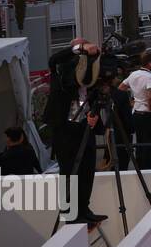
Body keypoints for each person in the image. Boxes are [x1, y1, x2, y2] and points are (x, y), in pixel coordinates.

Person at [44, 38, 107, 224]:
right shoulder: (61, 70)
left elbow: (94, 97)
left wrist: (94, 115)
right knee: (69, 169)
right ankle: (70, 212)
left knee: (87, 168)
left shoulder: (90, 76)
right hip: (64, 128)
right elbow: (53, 59)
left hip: (84, 127)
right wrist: (78, 48)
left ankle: (84, 209)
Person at [117, 51, 151, 170]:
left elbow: (121, 88)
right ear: (150, 63)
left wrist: (132, 100)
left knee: (140, 142)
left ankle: (139, 167)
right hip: (148, 114)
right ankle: (146, 168)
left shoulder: (133, 74)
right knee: (149, 144)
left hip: (136, 113)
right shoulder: (150, 77)